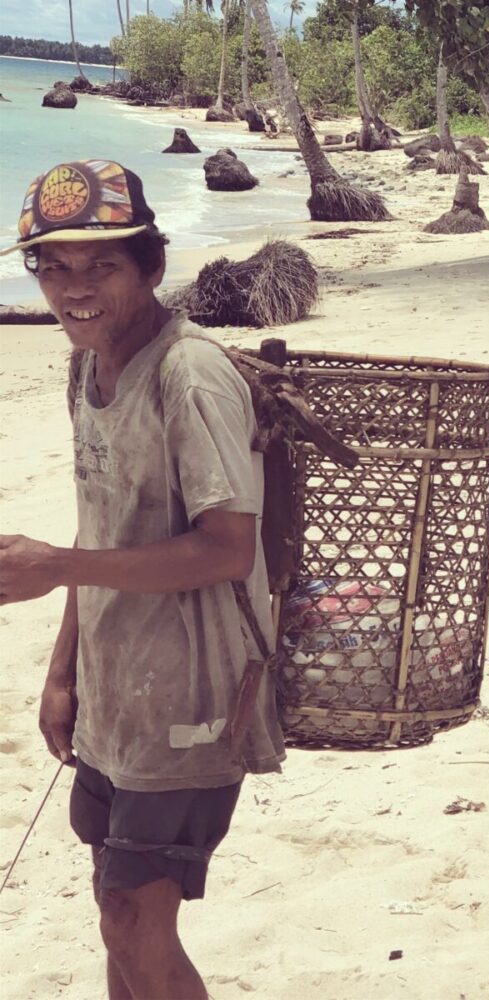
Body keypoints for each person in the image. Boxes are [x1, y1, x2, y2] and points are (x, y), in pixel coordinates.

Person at [0, 159, 285, 999]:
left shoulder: (186, 373)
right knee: (117, 911)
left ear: (153, 267)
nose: (72, 287)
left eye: (101, 265)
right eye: (52, 266)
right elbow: (104, 530)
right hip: (117, 692)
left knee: (132, 917)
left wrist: (56, 568)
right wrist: (63, 675)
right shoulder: (86, 367)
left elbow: (229, 547)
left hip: (195, 696)